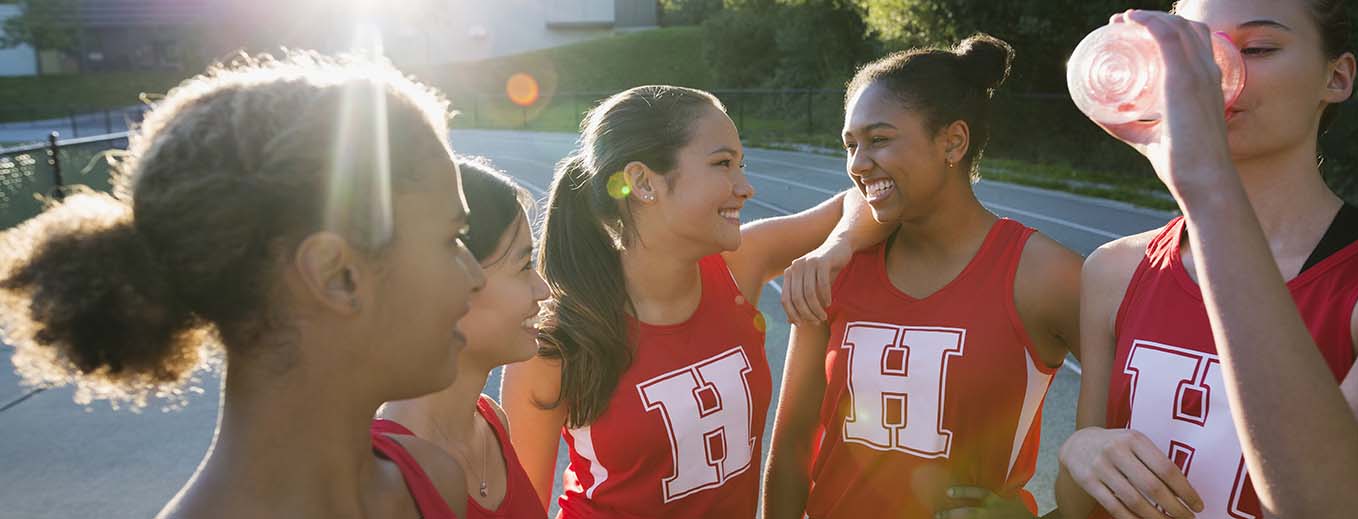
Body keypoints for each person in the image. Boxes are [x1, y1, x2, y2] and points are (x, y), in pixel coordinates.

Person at [0, 52, 481, 519]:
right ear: (338, 276)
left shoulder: (432, 480)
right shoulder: (429, 480)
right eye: (451, 239)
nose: (476, 276)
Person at [1056, 2, 1358, 518]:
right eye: (1194, 48)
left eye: (1257, 48)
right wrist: (1080, 450)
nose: (1215, 70)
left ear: (1336, 77)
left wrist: (1208, 187)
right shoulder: (1115, 270)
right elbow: (1075, 506)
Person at [500, 85, 889, 517]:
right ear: (643, 182)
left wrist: (834, 248)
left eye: (741, 165)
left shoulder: (738, 266)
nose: (745, 188)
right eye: (723, 164)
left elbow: (865, 201)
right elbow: (522, 508)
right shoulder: (554, 342)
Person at [761, 35, 1083, 519]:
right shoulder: (835, 267)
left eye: (879, 140)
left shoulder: (1044, 274)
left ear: (952, 141)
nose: (857, 164)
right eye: (851, 145)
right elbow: (788, 453)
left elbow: (1144, 428)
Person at [378, 157, 550, 518]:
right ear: (451, 281)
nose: (543, 289)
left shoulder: (492, 422)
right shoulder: (385, 476)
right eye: (524, 266)